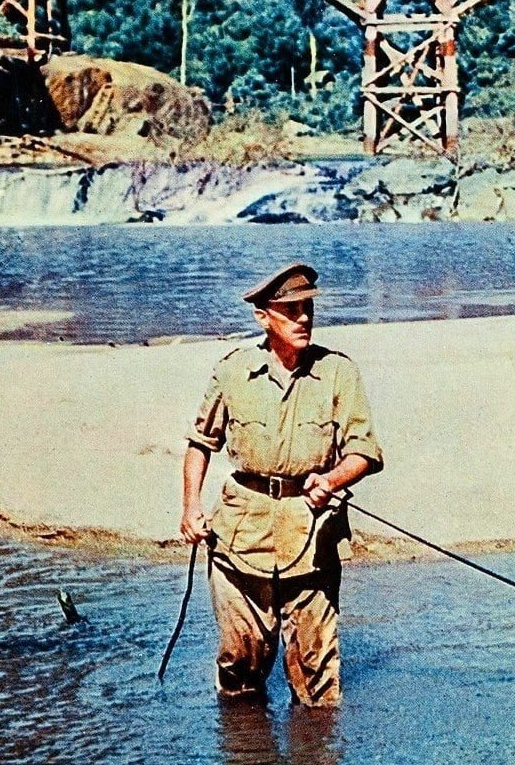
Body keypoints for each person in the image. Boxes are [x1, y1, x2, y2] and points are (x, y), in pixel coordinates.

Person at [180, 262, 383, 706]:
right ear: (263, 316)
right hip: (240, 537)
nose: (304, 318)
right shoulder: (233, 372)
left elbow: (365, 452)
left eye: (307, 308)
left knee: (317, 677)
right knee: (239, 665)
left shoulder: (337, 373)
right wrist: (190, 507)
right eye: (291, 310)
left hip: (312, 535)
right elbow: (200, 443)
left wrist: (331, 478)